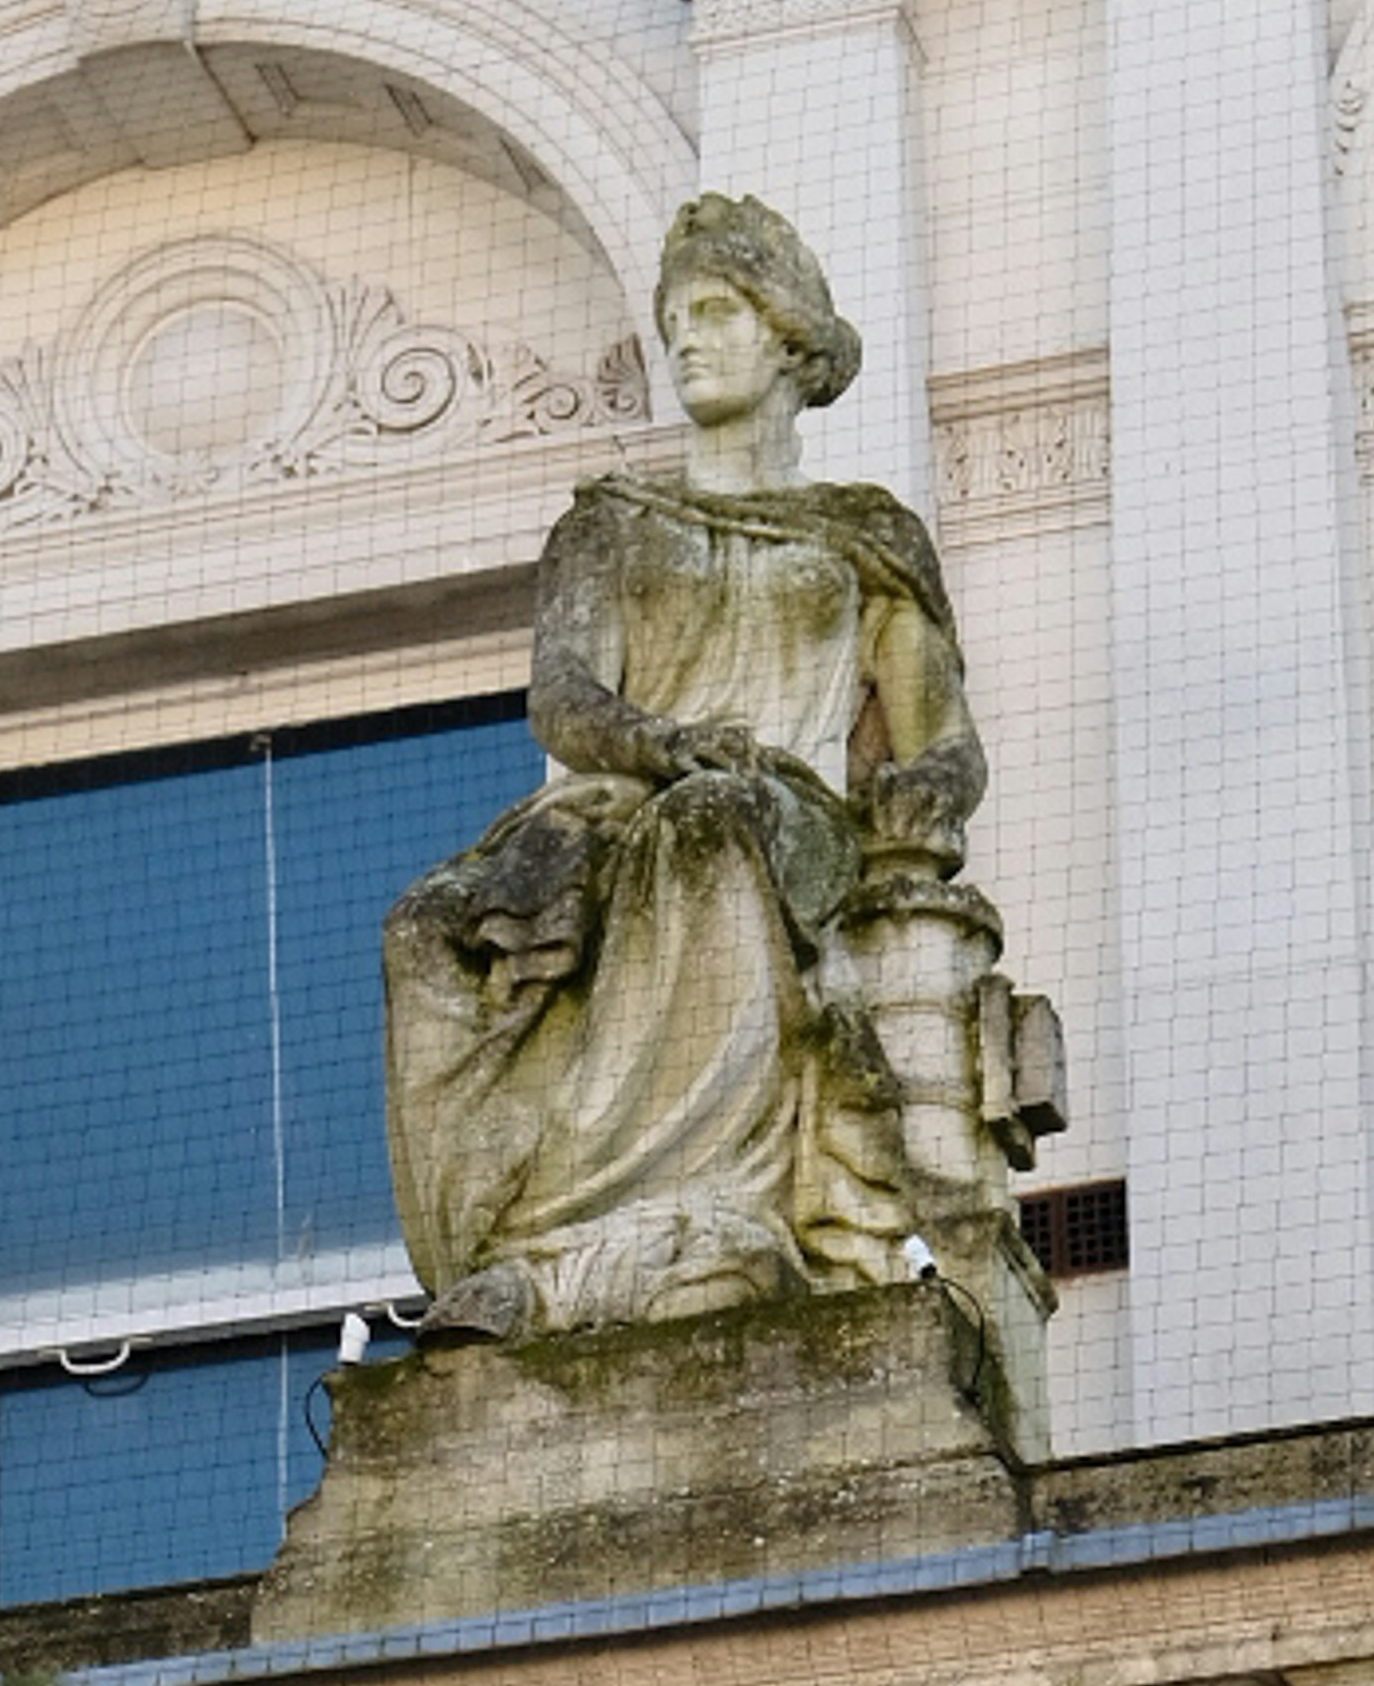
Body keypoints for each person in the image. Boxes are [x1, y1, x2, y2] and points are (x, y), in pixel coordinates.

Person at [384, 187, 984, 1347]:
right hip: (616, 800)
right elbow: (561, 701)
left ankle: (698, 1222)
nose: (686, 342)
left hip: (781, 817)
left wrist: (929, 793)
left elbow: (939, 738)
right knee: (426, 926)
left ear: (788, 338)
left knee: (703, 826)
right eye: (674, 323)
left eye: (714, 311)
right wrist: (661, 743)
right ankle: (512, 1246)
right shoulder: (610, 521)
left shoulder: (857, 533)